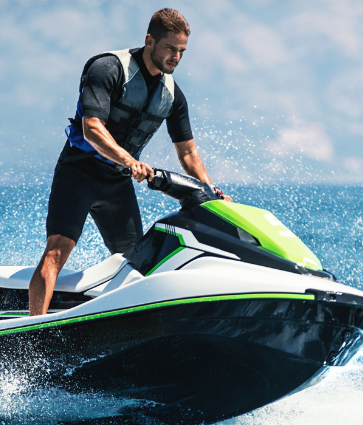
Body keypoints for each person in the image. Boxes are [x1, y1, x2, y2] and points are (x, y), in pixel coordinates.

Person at [28, 8, 229, 316]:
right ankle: (35, 330)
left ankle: (122, 323)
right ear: (150, 41)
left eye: (182, 51)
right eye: (170, 48)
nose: (176, 56)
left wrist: (210, 192)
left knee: (134, 263)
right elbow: (92, 127)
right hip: (79, 171)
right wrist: (128, 160)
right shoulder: (109, 68)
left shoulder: (172, 95)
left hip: (117, 182)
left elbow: (188, 152)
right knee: (58, 249)